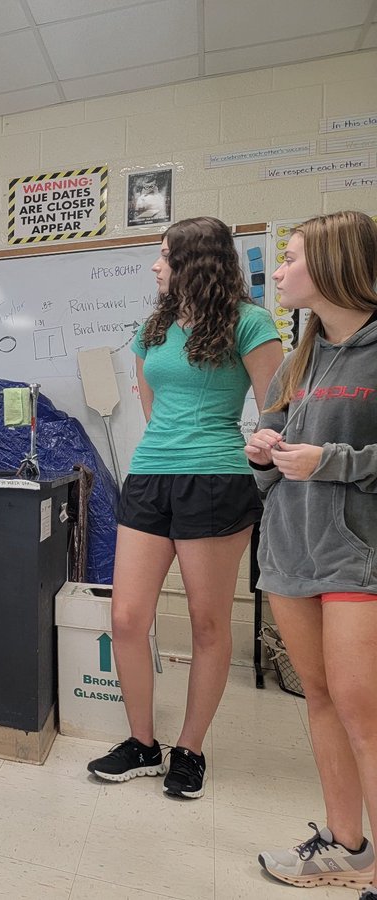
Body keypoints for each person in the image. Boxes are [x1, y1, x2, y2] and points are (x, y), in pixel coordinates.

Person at [87, 217, 283, 798]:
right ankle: (142, 743)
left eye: (164, 255)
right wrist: (169, 454)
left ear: (196, 261)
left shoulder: (250, 322)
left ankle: (190, 749)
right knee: (126, 619)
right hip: (150, 476)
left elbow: (276, 409)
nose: (155, 265)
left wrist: (262, 454)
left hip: (218, 479)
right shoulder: (155, 326)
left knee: (206, 623)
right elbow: (150, 405)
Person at [247, 211, 377, 896]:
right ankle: (345, 846)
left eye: (291, 257)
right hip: (290, 553)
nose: (282, 270)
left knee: (364, 712)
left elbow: (343, 459)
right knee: (320, 699)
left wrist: (330, 460)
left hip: (356, 557)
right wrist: (261, 452)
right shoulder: (299, 357)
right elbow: (268, 456)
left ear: (332, 264)